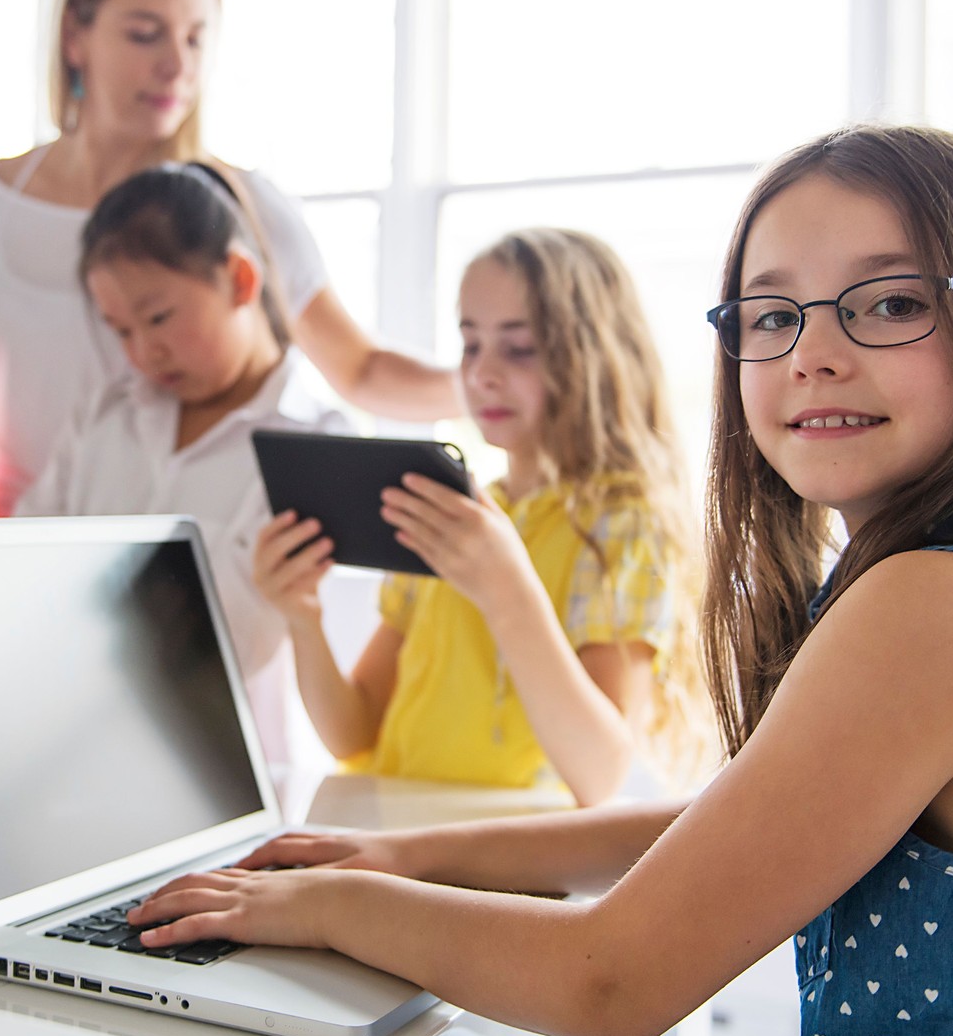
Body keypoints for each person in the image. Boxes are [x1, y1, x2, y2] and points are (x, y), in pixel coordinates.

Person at [128, 125, 953, 1036]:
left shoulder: (944, 603)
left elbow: (612, 982)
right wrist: (408, 853)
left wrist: (330, 901)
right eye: (771, 314)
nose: (814, 354)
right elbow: (730, 825)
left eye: (888, 304)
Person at [0, 0, 458, 508]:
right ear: (74, 36)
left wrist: (492, 388)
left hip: (165, 539)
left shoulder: (237, 205)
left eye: (196, 37)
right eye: (146, 34)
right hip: (17, 524)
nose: (178, 65)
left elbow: (359, 370)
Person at [251, 229, 709, 806]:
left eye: (519, 349)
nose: (482, 373)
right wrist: (303, 617)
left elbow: (599, 774)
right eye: (470, 345)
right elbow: (353, 732)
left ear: (594, 355)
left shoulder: (623, 523)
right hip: (396, 830)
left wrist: (504, 589)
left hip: (508, 852)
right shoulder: (452, 514)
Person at [15, 163, 350, 775]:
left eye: (160, 317)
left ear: (240, 279)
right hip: (58, 743)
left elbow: (242, 640)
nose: (145, 352)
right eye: (121, 330)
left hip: (208, 765)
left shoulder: (316, 448)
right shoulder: (107, 416)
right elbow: (22, 556)